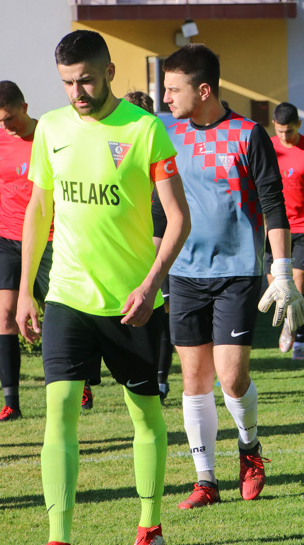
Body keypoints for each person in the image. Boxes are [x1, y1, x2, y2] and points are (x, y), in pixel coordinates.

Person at [16, 30, 191, 545]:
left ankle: (149, 524)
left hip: (132, 302)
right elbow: (39, 210)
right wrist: (27, 288)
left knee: (145, 412)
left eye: (86, 79)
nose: (77, 91)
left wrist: (151, 284)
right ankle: (58, 536)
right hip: (68, 296)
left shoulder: (145, 130)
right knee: (61, 409)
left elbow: (178, 219)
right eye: (68, 82)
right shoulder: (49, 128)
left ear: (110, 72)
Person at [161, 43, 304, 508]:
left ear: (202, 90)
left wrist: (280, 270)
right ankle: (205, 480)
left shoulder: (248, 134)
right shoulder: (165, 134)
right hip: (184, 273)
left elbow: (272, 204)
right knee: (194, 380)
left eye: (172, 89)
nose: (165, 98)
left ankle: (249, 448)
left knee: (231, 378)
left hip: (236, 273)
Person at [0, 80, 53, 423]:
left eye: (9, 118)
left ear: (24, 107)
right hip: (7, 240)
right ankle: (12, 402)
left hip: (50, 239)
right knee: (6, 315)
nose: (5, 126)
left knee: (57, 317)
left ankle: (75, 383)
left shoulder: (50, 136)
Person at [124, 91, 174, 401]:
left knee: (161, 308)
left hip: (160, 238)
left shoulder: (160, 145)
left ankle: (161, 378)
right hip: (128, 246)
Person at [266, 102, 304, 360]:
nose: (284, 137)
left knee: (299, 285)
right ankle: (290, 322)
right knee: (278, 287)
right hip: (275, 228)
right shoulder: (268, 149)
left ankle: (298, 339)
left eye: (288, 131)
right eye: (279, 131)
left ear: (299, 125)